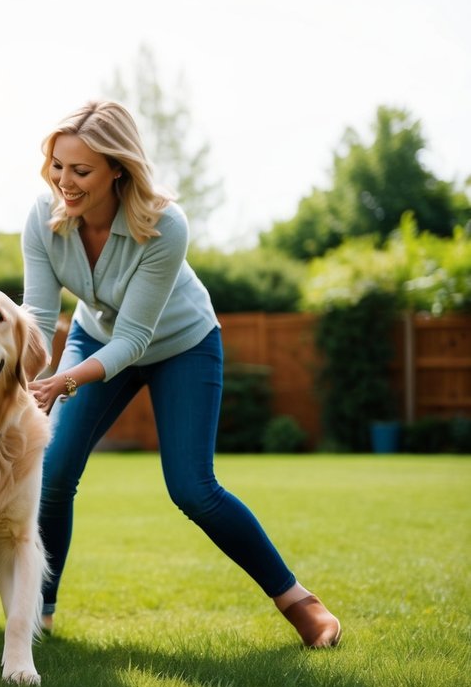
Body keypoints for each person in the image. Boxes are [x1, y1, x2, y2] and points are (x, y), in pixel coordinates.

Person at [22, 100, 341, 648]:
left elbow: (137, 340)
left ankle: (302, 605)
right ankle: (39, 614)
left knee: (193, 489)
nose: (64, 182)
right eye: (57, 165)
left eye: (80, 170)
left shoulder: (164, 224)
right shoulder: (43, 219)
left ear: (117, 168)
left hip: (180, 344)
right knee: (52, 476)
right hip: (95, 336)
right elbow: (39, 319)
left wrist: (65, 382)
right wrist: (23, 380)